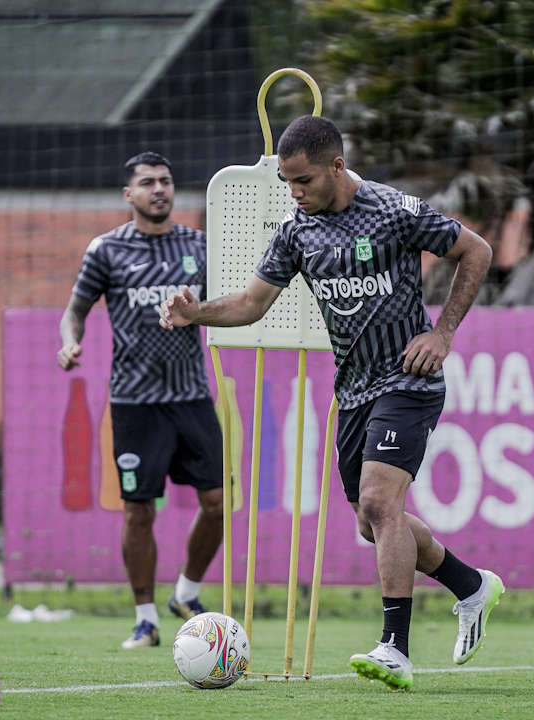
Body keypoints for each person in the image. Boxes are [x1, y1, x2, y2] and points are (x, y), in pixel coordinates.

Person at [159, 115, 503, 690]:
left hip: (408, 380)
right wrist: (198, 314)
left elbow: (478, 251)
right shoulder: (297, 232)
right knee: (373, 523)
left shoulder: (393, 211)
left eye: (304, 181)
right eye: (288, 184)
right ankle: (471, 586)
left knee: (378, 498)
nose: (295, 193)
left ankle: (395, 647)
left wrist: (441, 334)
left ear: (337, 167)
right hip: (354, 392)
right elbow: (250, 303)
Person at [57, 151, 225, 650]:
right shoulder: (106, 251)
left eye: (166, 181)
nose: (159, 189)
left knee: (218, 503)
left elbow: (228, 303)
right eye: (148, 182)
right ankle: (146, 619)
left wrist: (201, 313)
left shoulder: (199, 245)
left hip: (191, 395)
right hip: (134, 402)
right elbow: (75, 311)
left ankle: (186, 593)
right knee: (138, 511)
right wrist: (70, 341)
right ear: (128, 194)